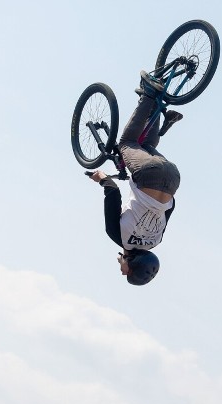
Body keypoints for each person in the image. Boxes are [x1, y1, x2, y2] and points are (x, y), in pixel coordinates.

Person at [89, 71, 180, 286]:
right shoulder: (117, 236)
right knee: (127, 144)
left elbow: (169, 208)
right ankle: (149, 94)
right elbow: (112, 192)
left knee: (146, 146)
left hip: (173, 179)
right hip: (148, 175)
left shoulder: (156, 241)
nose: (122, 272)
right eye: (127, 273)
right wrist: (101, 177)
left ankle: (159, 108)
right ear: (133, 264)